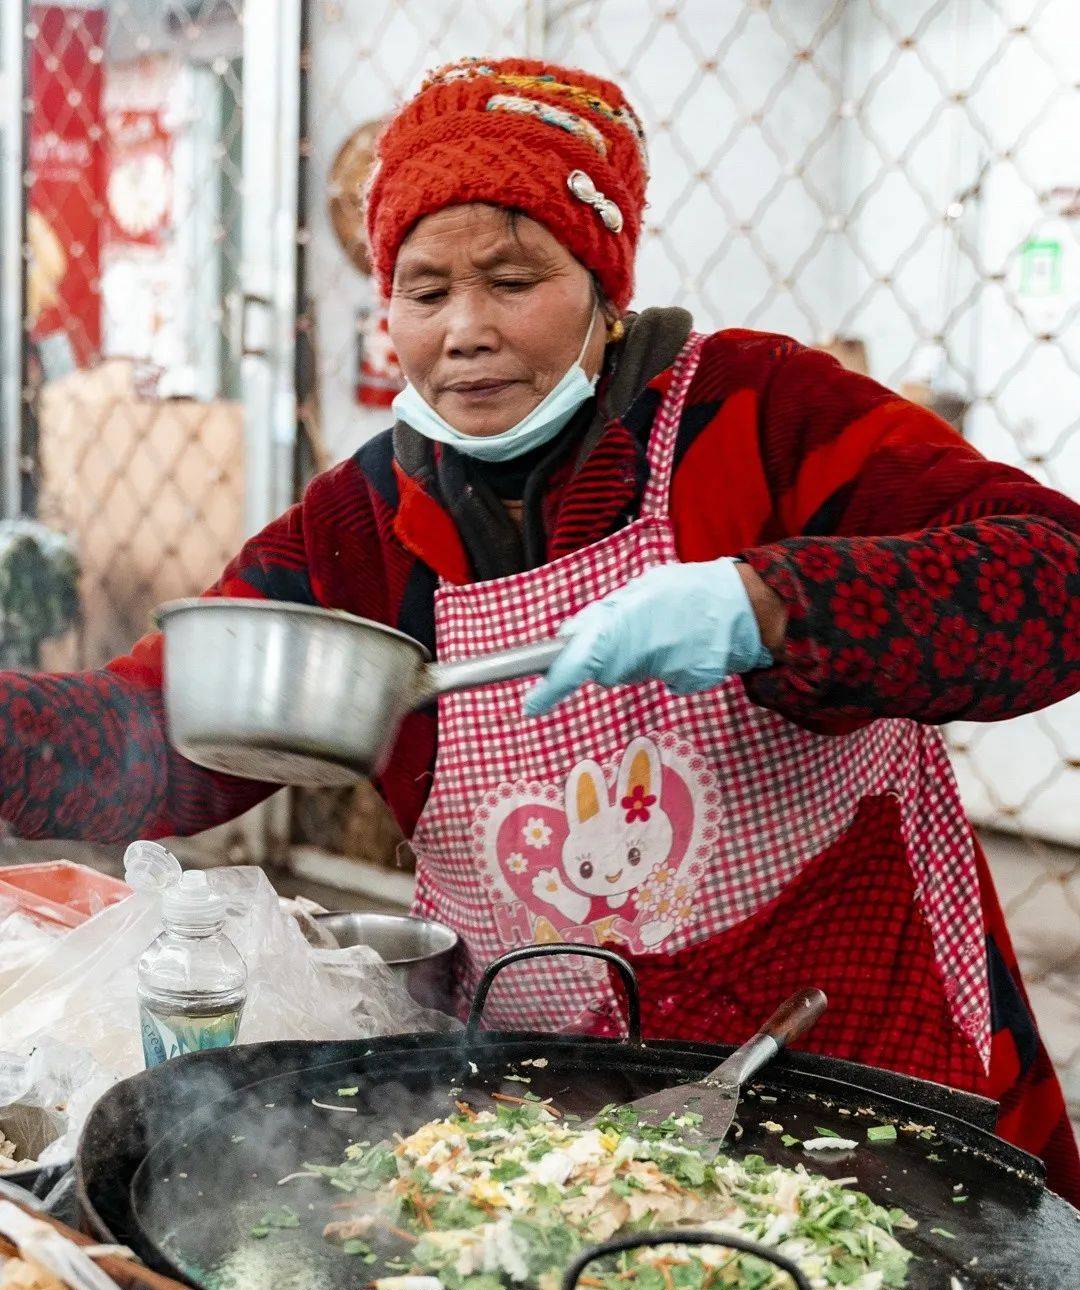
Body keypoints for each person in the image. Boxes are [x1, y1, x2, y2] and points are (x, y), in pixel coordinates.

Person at [3, 56, 1079, 1202]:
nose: (464, 330)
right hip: (542, 1125)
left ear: (605, 290)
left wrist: (767, 606)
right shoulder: (363, 530)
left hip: (856, 1080)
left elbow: (1052, 576)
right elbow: (152, 740)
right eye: (424, 292)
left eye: (512, 279)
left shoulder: (758, 419)